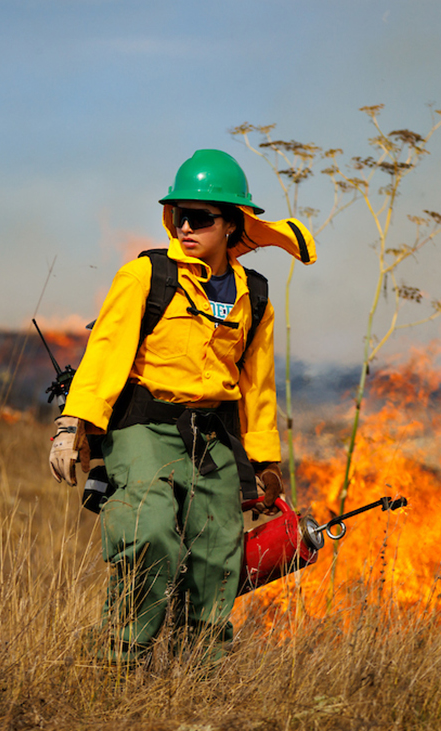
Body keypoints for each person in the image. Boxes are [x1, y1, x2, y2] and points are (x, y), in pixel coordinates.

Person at [49, 149, 316, 666]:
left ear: (233, 225)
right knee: (148, 533)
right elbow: (105, 353)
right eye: (178, 215)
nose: (185, 226)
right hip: (144, 426)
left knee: (218, 555)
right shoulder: (146, 276)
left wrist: (264, 461)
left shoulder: (252, 296)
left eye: (201, 217)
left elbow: (257, 386)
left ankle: (200, 677)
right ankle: (116, 664)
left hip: (213, 437)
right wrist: (71, 426)